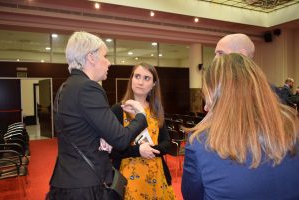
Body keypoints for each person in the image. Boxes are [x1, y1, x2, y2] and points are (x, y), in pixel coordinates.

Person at [181, 53, 299, 200]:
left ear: (221, 96)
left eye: (208, 98)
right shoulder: (293, 128)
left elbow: (192, 196)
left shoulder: (200, 143)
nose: (205, 107)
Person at [47, 31, 148, 200]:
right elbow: (121, 139)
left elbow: (77, 130)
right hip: (86, 186)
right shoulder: (88, 88)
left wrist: (99, 138)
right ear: (91, 57)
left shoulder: (66, 87)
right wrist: (141, 116)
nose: (109, 62)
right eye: (105, 56)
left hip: (67, 180)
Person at [110, 63, 176, 199]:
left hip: (156, 175)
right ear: (131, 79)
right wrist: (138, 150)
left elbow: (166, 142)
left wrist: (152, 150)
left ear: (153, 84)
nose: (140, 82)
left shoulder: (156, 109)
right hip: (127, 177)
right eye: (137, 76)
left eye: (146, 78)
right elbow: (112, 149)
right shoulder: (118, 110)